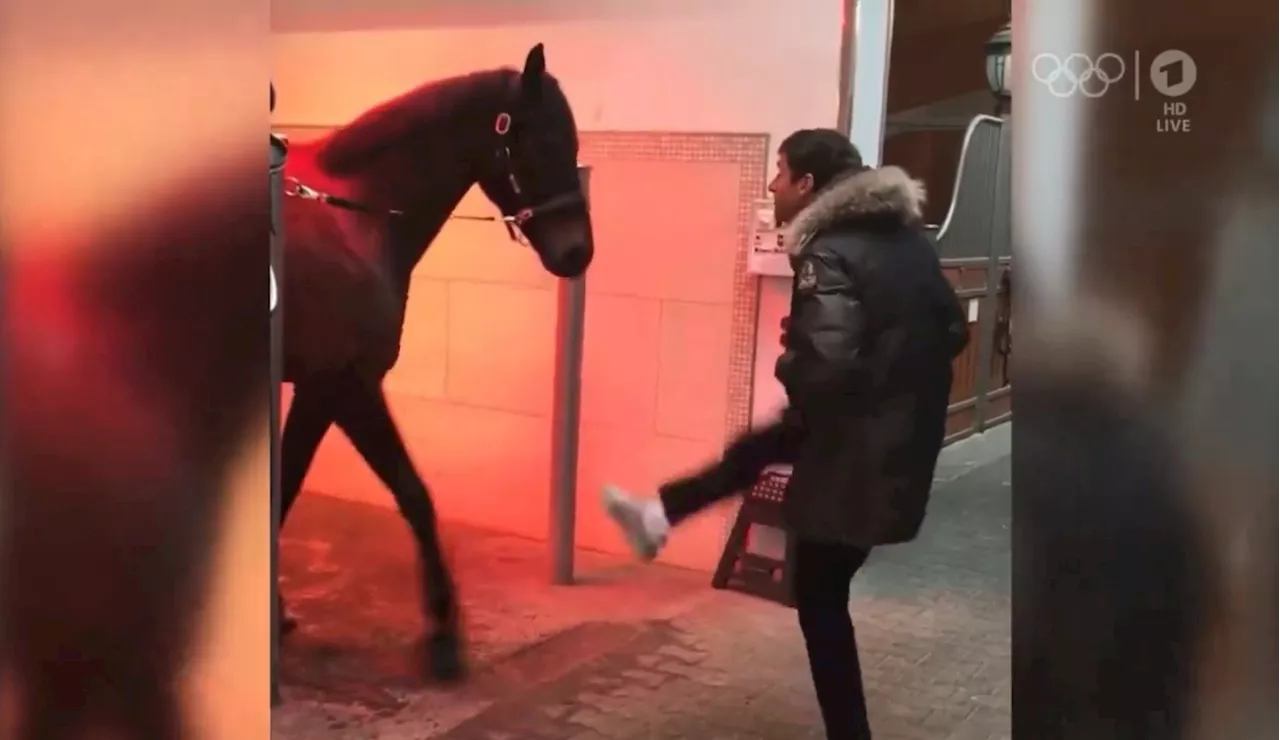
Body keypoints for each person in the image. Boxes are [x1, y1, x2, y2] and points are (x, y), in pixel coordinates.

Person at [602, 128, 968, 740]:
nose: (772, 185)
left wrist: (791, 356)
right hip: (893, 434)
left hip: (856, 447)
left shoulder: (830, 251)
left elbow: (823, 369)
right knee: (757, 450)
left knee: (820, 595)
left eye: (780, 172)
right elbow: (951, 332)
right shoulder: (907, 242)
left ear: (806, 184)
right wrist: (885, 371)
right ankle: (657, 517)